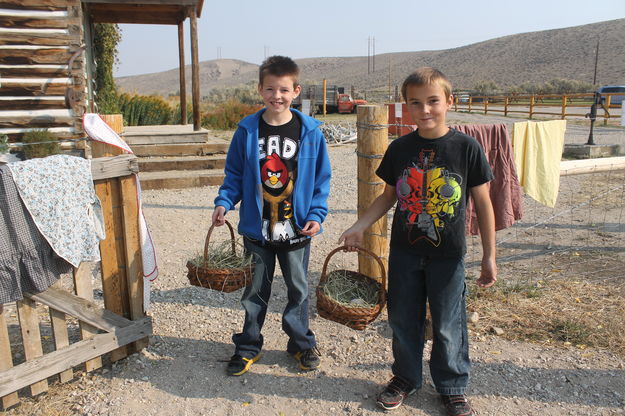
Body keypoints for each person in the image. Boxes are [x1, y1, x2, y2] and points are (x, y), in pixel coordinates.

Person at [339, 67, 497, 416]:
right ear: (405, 107)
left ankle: (452, 385)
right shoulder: (400, 148)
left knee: (447, 321)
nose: (425, 110)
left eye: (433, 101)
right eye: (416, 103)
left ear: (449, 102)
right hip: (405, 253)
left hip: (449, 255)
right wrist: (360, 225)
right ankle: (405, 377)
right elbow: (389, 196)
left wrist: (489, 255)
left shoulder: (467, 148)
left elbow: (484, 204)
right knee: (403, 318)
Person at [212, 55, 331, 376]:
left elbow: (322, 179)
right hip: (257, 231)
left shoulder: (309, 132)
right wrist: (224, 202)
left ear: (296, 91)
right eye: (269, 89)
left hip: (296, 231)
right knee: (255, 292)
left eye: (283, 90)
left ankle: (301, 343)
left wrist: (317, 215)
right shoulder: (247, 131)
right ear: (260, 90)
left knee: (298, 290)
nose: (276, 96)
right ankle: (249, 345)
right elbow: (234, 174)